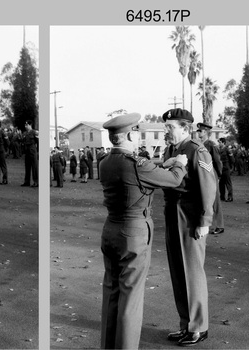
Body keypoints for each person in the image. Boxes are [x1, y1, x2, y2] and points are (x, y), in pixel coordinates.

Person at [99, 113, 187, 349]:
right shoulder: (138, 165)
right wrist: (179, 162)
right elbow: (174, 180)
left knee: (112, 293)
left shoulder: (105, 162)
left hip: (110, 231)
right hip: (133, 235)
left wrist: (160, 163)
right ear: (128, 134)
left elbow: (140, 172)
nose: (138, 135)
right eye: (136, 132)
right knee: (131, 299)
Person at [161, 108, 216, 346]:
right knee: (177, 271)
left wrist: (205, 220)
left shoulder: (196, 150)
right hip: (172, 212)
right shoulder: (170, 150)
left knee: (192, 273)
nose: (166, 131)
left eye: (170, 127)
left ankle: (199, 327)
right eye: (166, 127)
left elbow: (208, 187)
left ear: (185, 128)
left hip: (190, 215)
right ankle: (186, 324)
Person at [196, 122, 224, 234]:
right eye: (198, 131)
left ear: (207, 132)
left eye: (201, 131)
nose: (199, 133)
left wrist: (218, 175)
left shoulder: (211, 145)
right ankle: (206, 224)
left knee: (215, 200)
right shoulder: (199, 144)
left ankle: (219, 225)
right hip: (202, 175)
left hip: (212, 174)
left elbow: (217, 161)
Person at [21, 120, 39, 187]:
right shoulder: (25, 133)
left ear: (30, 125)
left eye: (26, 125)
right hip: (27, 151)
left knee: (34, 167)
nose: (25, 126)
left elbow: (38, 142)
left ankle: (36, 182)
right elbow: (22, 141)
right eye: (25, 125)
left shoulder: (35, 132)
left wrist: (38, 151)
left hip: (33, 151)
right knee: (27, 167)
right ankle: (27, 182)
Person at [218, 138, 234, 202]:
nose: (219, 144)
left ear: (223, 143)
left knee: (228, 183)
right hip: (221, 169)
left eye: (220, 142)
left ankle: (230, 197)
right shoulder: (219, 150)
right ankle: (222, 196)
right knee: (221, 183)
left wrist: (231, 168)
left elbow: (232, 160)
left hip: (226, 168)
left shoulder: (227, 150)